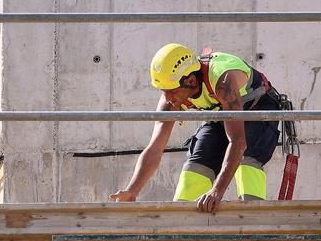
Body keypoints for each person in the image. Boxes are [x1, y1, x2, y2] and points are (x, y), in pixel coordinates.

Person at [110, 43, 286, 214]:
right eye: (163, 91)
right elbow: (155, 148)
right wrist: (132, 191)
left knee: (246, 162)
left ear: (191, 80)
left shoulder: (223, 81)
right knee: (196, 167)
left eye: (171, 91)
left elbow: (238, 141)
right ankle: (181, 226)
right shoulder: (171, 99)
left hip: (256, 107)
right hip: (220, 113)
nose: (168, 98)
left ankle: (252, 218)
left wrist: (217, 190)